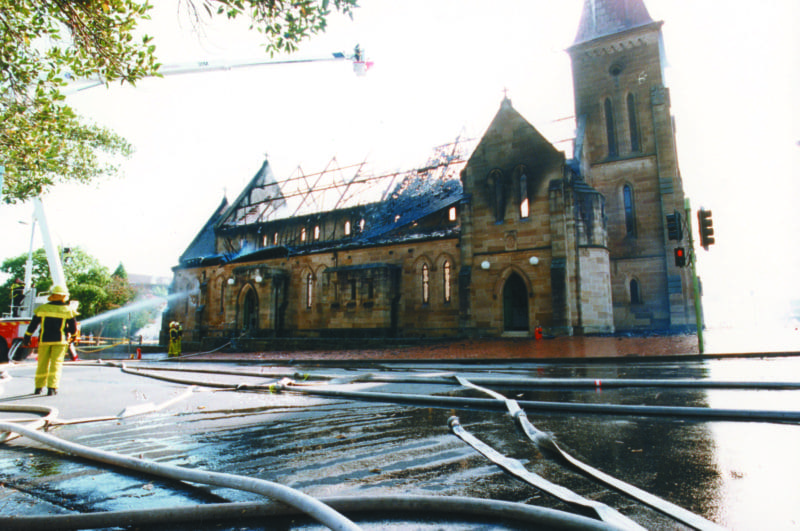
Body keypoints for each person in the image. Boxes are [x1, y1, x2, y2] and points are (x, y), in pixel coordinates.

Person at [22, 285, 78, 396]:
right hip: (60, 341)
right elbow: (73, 327)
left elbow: (33, 325)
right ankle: (52, 388)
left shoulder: (43, 308)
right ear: (64, 296)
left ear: (52, 295)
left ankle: (38, 388)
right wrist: (73, 336)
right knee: (55, 364)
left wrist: (27, 337)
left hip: (44, 340)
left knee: (42, 364)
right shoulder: (68, 309)